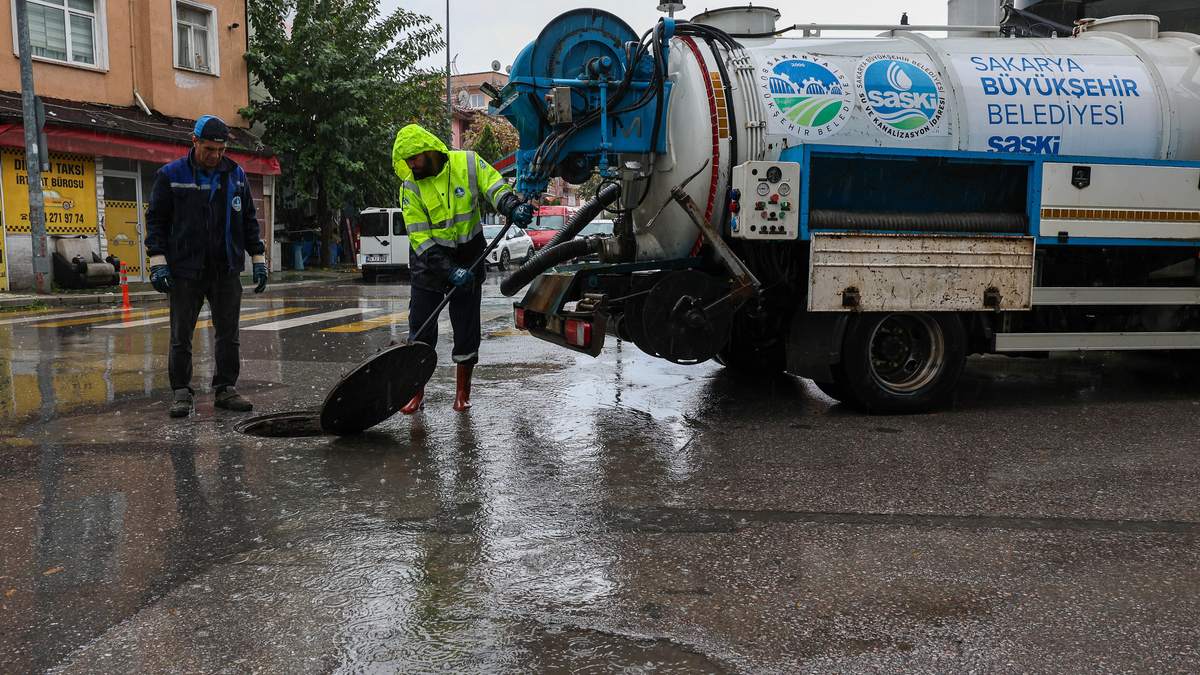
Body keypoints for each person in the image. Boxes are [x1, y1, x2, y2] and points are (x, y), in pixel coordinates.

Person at [392, 124, 534, 412]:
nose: (410, 166)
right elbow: (419, 238)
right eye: (405, 161)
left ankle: (462, 394)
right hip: (429, 264)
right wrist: (448, 270)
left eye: (414, 159)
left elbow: (494, 186)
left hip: (469, 256)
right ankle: (415, 393)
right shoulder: (410, 186)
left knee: (466, 329)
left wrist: (510, 206)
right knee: (420, 331)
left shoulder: (467, 162)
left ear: (429, 151)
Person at [145, 115, 269, 418]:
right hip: (185, 271)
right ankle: (181, 392)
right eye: (209, 149)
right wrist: (157, 261)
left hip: (225, 269)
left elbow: (249, 221)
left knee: (229, 335)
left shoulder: (236, 175)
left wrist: (258, 259)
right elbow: (156, 221)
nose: (214, 156)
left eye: (220, 150)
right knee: (181, 336)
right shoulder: (171, 175)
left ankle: (226, 389)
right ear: (194, 142)